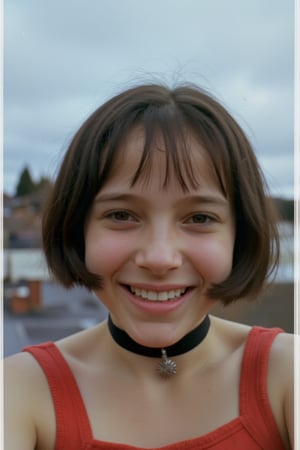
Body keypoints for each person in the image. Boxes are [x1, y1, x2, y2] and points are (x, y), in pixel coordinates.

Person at [4, 82, 294, 450]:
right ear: (78, 229)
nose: (159, 258)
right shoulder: (18, 391)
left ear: (241, 235)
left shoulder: (288, 374)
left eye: (200, 218)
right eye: (122, 214)